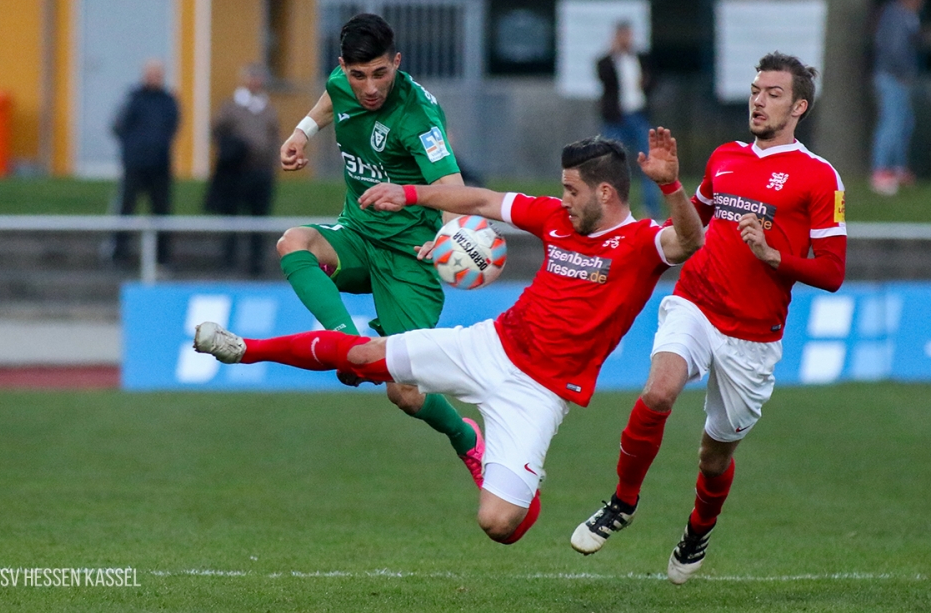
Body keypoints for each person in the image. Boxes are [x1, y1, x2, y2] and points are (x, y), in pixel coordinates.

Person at [193, 130, 704, 544]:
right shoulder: (553, 217)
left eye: (572, 190)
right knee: (367, 356)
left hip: (539, 393)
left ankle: (519, 483)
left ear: (605, 193)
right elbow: (480, 199)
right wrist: (410, 194)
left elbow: (689, 239)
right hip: (488, 346)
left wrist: (672, 187)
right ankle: (244, 349)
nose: (563, 198)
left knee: (500, 525)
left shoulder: (641, 243)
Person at [570, 52, 847, 584]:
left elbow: (833, 272)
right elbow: (692, 228)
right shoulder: (725, 157)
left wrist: (774, 258)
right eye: (756, 90)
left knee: (714, 457)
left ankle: (698, 530)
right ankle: (622, 503)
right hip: (697, 300)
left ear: (799, 106)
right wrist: (671, 185)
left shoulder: (820, 178)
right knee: (658, 392)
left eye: (772, 93)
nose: (758, 100)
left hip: (753, 334)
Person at [276, 13, 483, 485]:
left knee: (405, 394)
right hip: (358, 234)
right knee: (294, 242)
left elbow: (451, 184)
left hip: (411, 258)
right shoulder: (343, 82)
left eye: (380, 74)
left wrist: (449, 237)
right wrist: (301, 133)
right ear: (344, 67)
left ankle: (465, 438)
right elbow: (331, 99)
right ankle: (345, 343)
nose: (369, 87)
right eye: (358, 75)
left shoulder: (418, 116)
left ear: (397, 62)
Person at [206, 63, 281, 275]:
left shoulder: (266, 107)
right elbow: (217, 130)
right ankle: (228, 260)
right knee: (233, 218)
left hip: (261, 171)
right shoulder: (231, 106)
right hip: (237, 171)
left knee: (259, 218)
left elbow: (273, 135)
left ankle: (256, 263)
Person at [109, 59, 180, 265]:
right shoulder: (133, 98)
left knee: (161, 210)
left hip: (159, 164)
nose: (154, 78)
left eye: (158, 74)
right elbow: (118, 125)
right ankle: (119, 253)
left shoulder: (168, 100)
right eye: (151, 73)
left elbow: (173, 125)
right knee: (126, 208)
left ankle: (162, 256)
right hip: (135, 164)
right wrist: (133, 148)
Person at [869, 0, 927, 196]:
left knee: (904, 122)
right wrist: (903, 73)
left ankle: (897, 168)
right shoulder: (896, 15)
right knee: (891, 122)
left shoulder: (907, 17)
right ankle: (881, 169)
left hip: (898, 76)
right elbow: (894, 47)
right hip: (892, 76)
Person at [597, 21, 659, 218]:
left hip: (638, 114)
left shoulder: (640, 58)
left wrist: (646, 83)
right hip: (616, 118)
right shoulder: (607, 61)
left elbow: (654, 80)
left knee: (648, 162)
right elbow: (603, 76)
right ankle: (612, 207)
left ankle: (651, 207)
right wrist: (613, 54)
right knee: (611, 163)